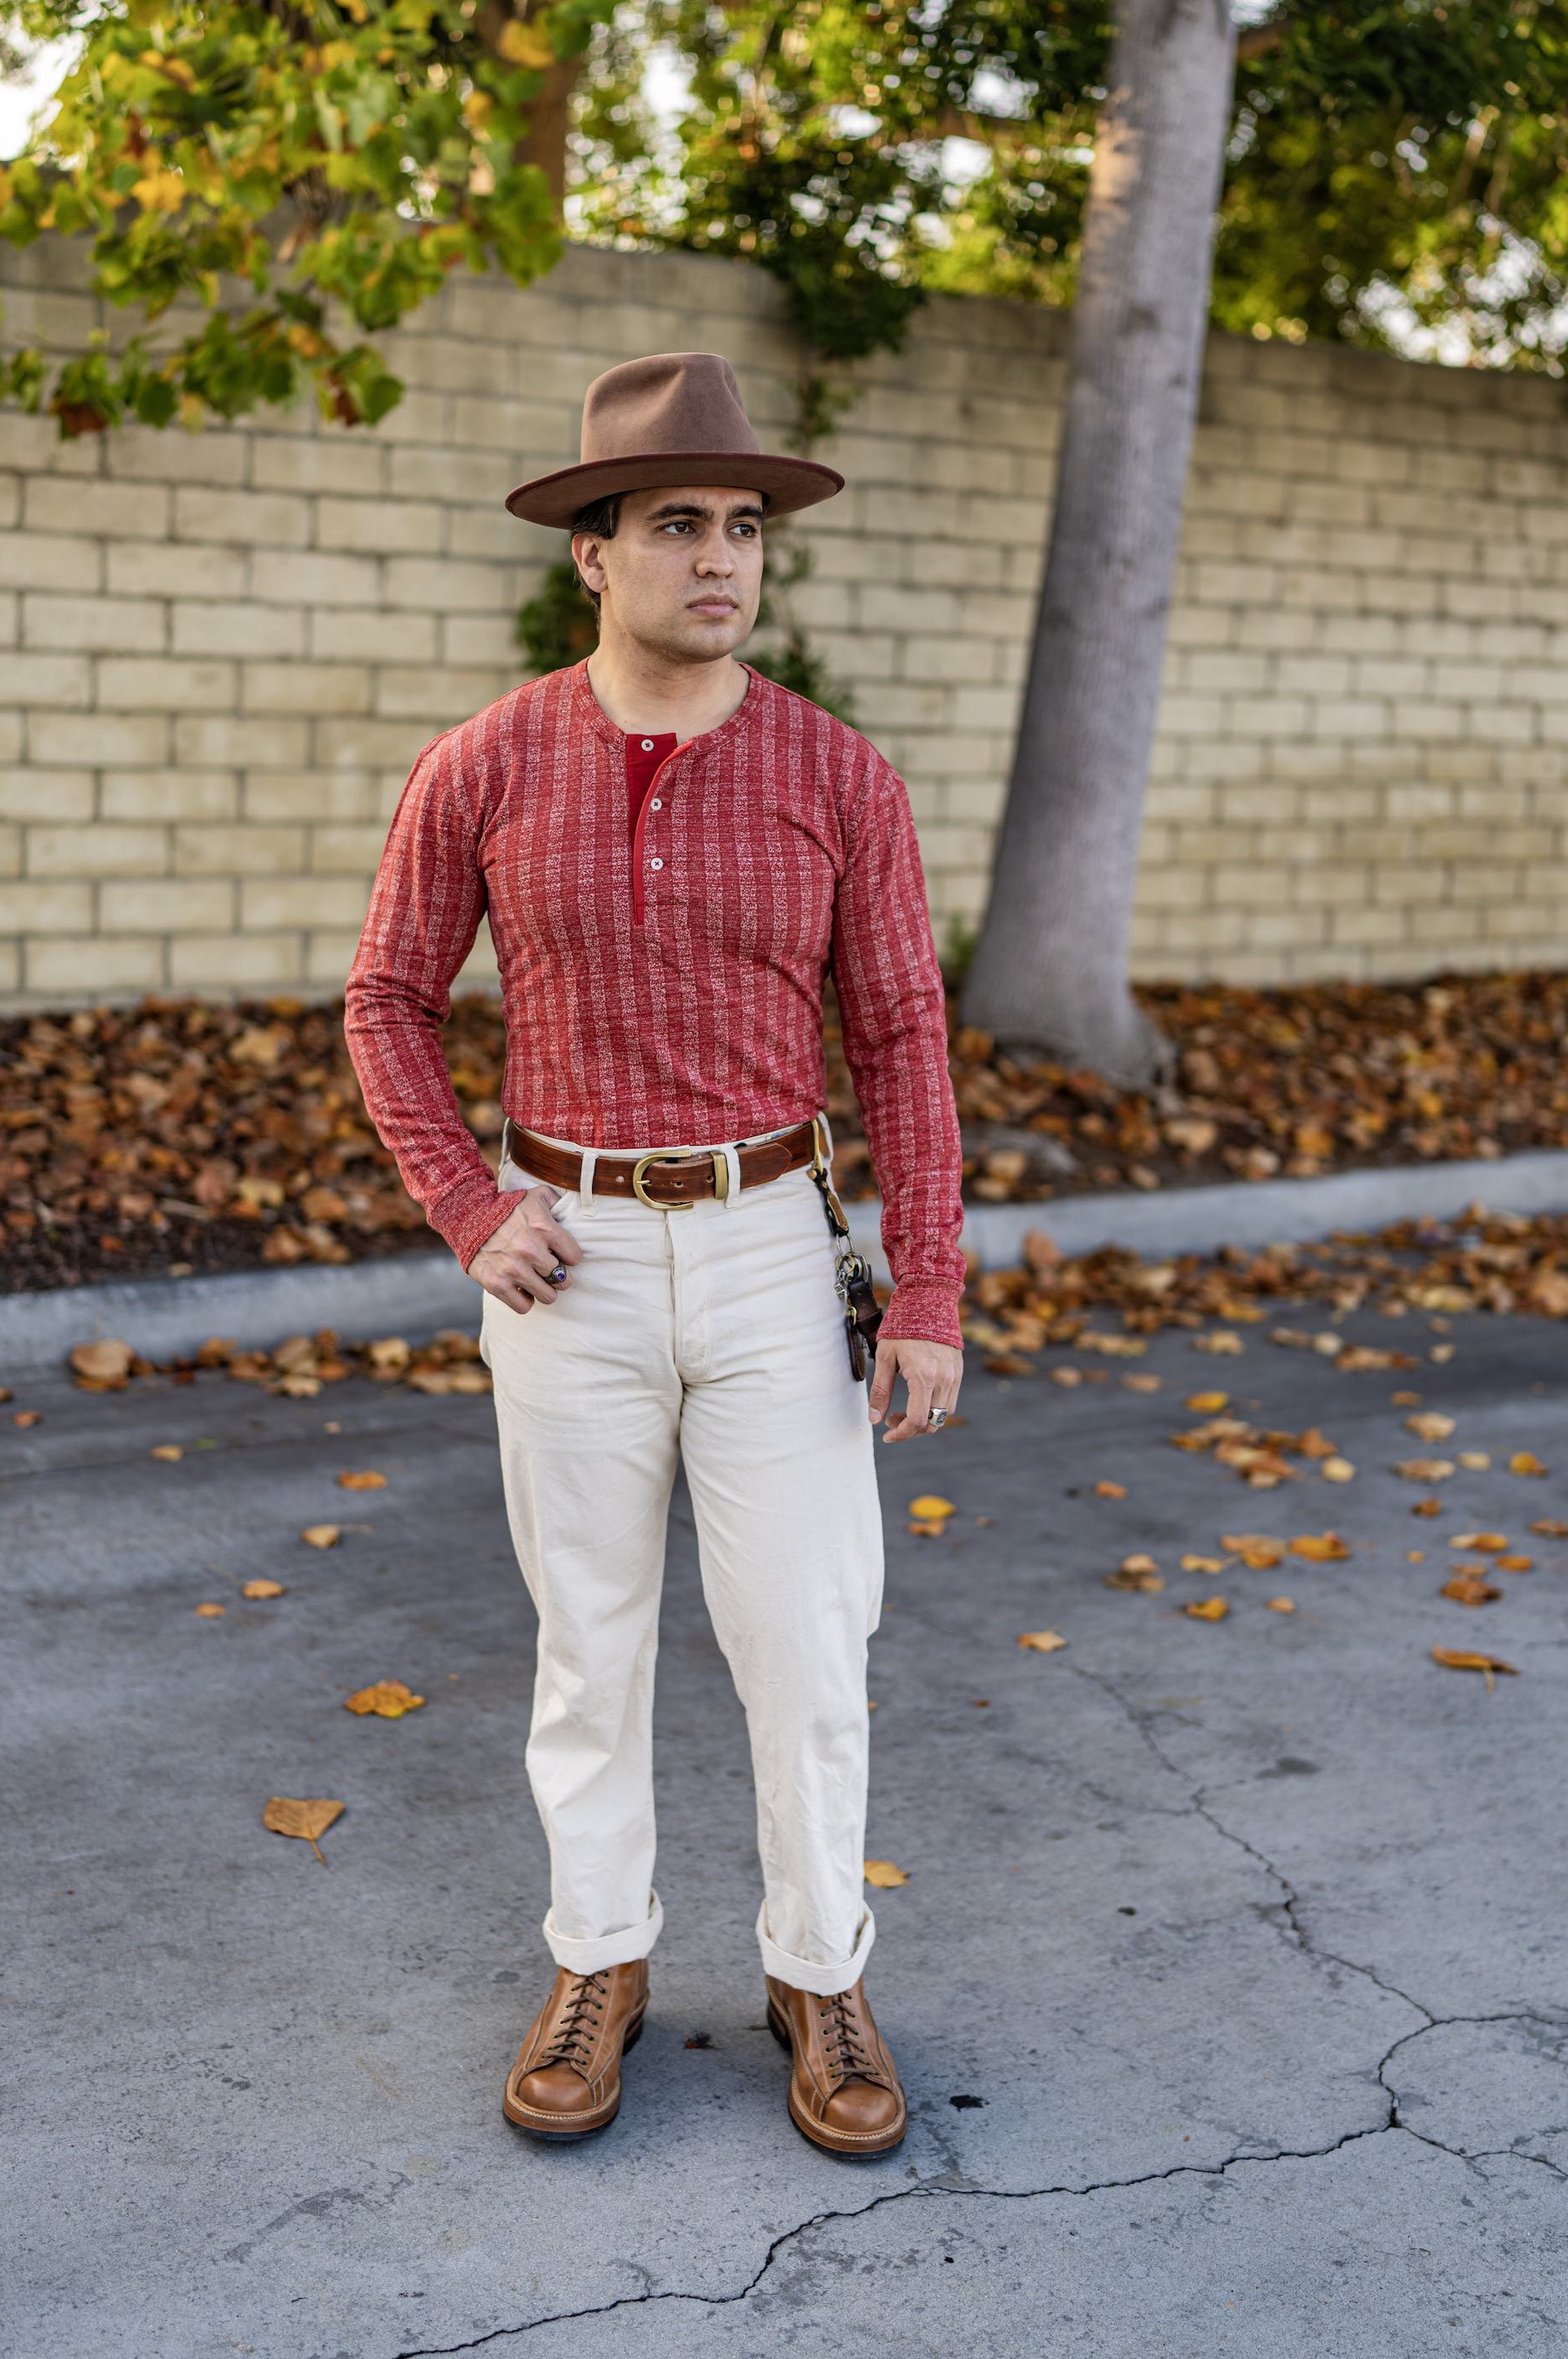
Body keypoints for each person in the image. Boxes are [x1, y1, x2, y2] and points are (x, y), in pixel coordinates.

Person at [344, 351, 964, 2156]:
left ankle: (816, 1968)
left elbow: (903, 1036)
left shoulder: (838, 776)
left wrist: (921, 1283)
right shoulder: (483, 761)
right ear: (590, 555)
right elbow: (386, 998)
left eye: (744, 526)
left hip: (777, 1240)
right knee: (586, 1638)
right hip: (570, 1256)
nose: (721, 556)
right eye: (678, 522)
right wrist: (470, 1200)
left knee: (804, 1639)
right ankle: (597, 1957)